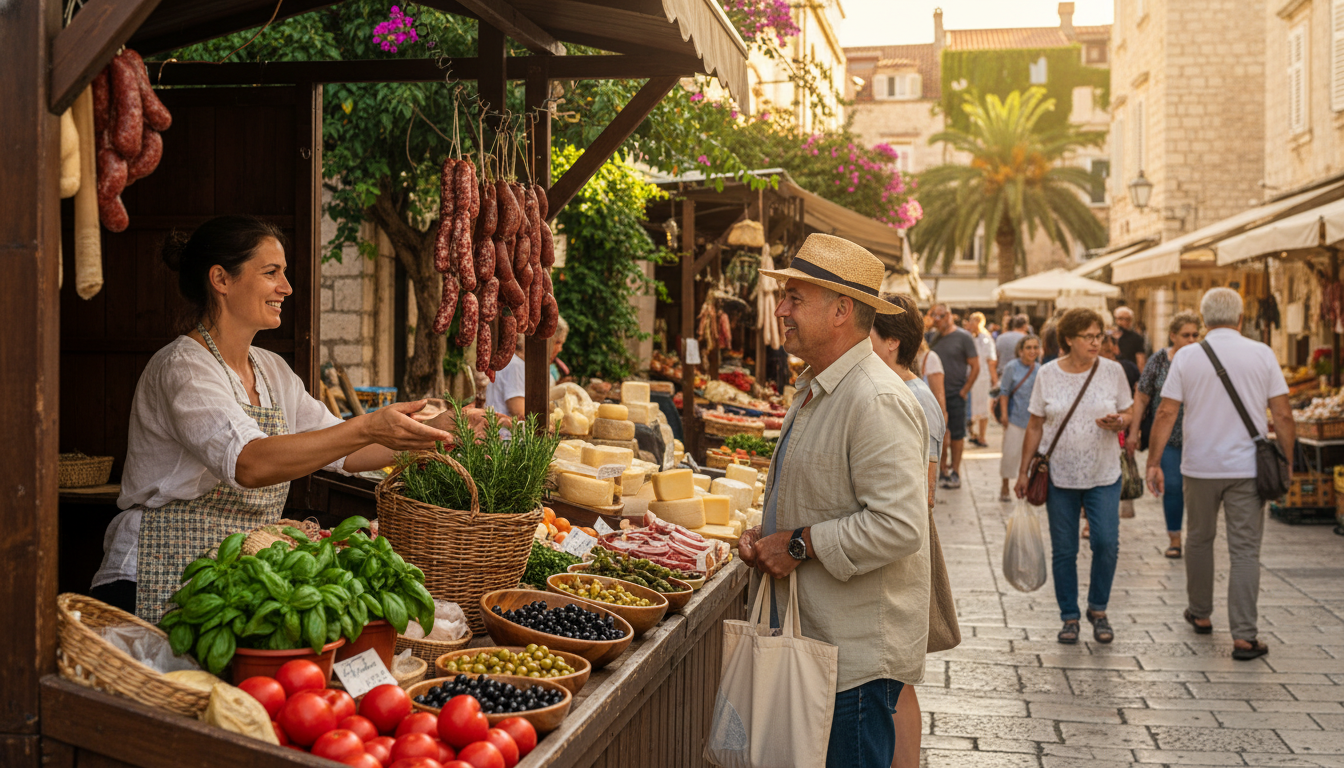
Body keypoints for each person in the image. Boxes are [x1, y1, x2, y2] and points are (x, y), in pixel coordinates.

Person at [92, 216, 460, 621]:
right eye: (271, 273)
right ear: (221, 279)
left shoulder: (271, 370)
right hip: (152, 574)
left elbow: (346, 451)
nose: (286, 287)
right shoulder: (184, 367)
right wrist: (369, 424)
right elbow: (249, 462)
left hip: (236, 576)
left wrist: (435, 433)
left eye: (283, 274)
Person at [738, 233, 930, 768]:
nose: (781, 310)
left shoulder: (875, 398)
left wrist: (797, 545)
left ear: (842, 310)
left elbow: (899, 525)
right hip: (821, 648)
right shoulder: (821, 387)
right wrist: (767, 531)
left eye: (795, 298)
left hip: (853, 665)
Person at [1146, 288, 1294, 661]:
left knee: (1198, 539)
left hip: (1199, 466)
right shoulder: (1262, 353)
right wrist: (1288, 461)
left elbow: (1166, 412)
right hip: (1247, 469)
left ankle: (1200, 613)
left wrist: (1153, 461)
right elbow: (1283, 413)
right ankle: (1244, 636)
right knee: (1245, 550)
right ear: (1241, 318)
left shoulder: (1187, 356)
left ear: (1204, 319)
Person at [1015, 308, 1133, 646]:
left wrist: (1121, 422)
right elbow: (1035, 424)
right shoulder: (1047, 374)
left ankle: (1098, 608)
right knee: (1064, 550)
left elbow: (1129, 409)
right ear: (1069, 339)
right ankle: (1069, 615)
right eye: (1089, 336)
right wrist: (1022, 472)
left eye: (1100, 336)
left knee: (1106, 543)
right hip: (1059, 475)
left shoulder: (1113, 371)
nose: (1097, 342)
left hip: (1104, 472)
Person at [870, 292, 944, 768]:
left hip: (901, 556)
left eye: (868, 335)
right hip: (898, 551)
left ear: (892, 343)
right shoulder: (902, 390)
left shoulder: (912, 397)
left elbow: (925, 492)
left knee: (897, 678)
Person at [1128, 312, 1201, 558]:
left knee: (1198, 489)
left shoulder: (1203, 360)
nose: (1191, 340)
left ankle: (1198, 536)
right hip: (1168, 436)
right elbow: (1142, 396)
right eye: (1185, 335)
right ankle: (1175, 538)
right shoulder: (1159, 360)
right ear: (1172, 336)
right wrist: (1134, 431)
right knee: (1171, 485)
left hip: (1198, 436)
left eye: (1195, 335)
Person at [926, 303, 979, 489]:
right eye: (934, 316)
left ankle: (955, 471)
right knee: (938, 434)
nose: (937, 320)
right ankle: (942, 471)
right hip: (934, 395)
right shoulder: (932, 337)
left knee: (957, 435)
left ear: (949, 316)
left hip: (956, 394)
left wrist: (965, 390)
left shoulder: (963, 337)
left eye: (940, 316)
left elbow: (975, 365)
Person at [998, 335, 1040, 502]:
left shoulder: (1040, 369)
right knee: (1010, 452)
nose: (1032, 351)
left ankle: (1027, 484)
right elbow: (1004, 392)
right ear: (1021, 351)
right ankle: (1005, 484)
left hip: (1033, 421)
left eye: (1035, 347)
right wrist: (1004, 415)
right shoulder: (1012, 367)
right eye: (1028, 348)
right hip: (1015, 418)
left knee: (1030, 455)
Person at [966, 312, 998, 448]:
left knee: (983, 406)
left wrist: (994, 379)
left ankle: (982, 436)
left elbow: (991, 361)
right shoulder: (968, 338)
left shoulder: (986, 339)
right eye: (970, 320)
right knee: (971, 407)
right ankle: (973, 434)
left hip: (982, 377)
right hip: (970, 377)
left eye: (974, 321)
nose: (971, 323)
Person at [917, 340, 948, 427]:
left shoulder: (930, 358)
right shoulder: (899, 360)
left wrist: (942, 427)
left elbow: (939, 396)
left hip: (929, 422)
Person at [1114, 306, 1147, 372]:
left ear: (1131, 321)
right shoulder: (1110, 336)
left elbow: (1140, 361)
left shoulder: (1137, 338)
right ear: (1116, 320)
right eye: (1121, 319)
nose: (1124, 322)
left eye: (1127, 319)